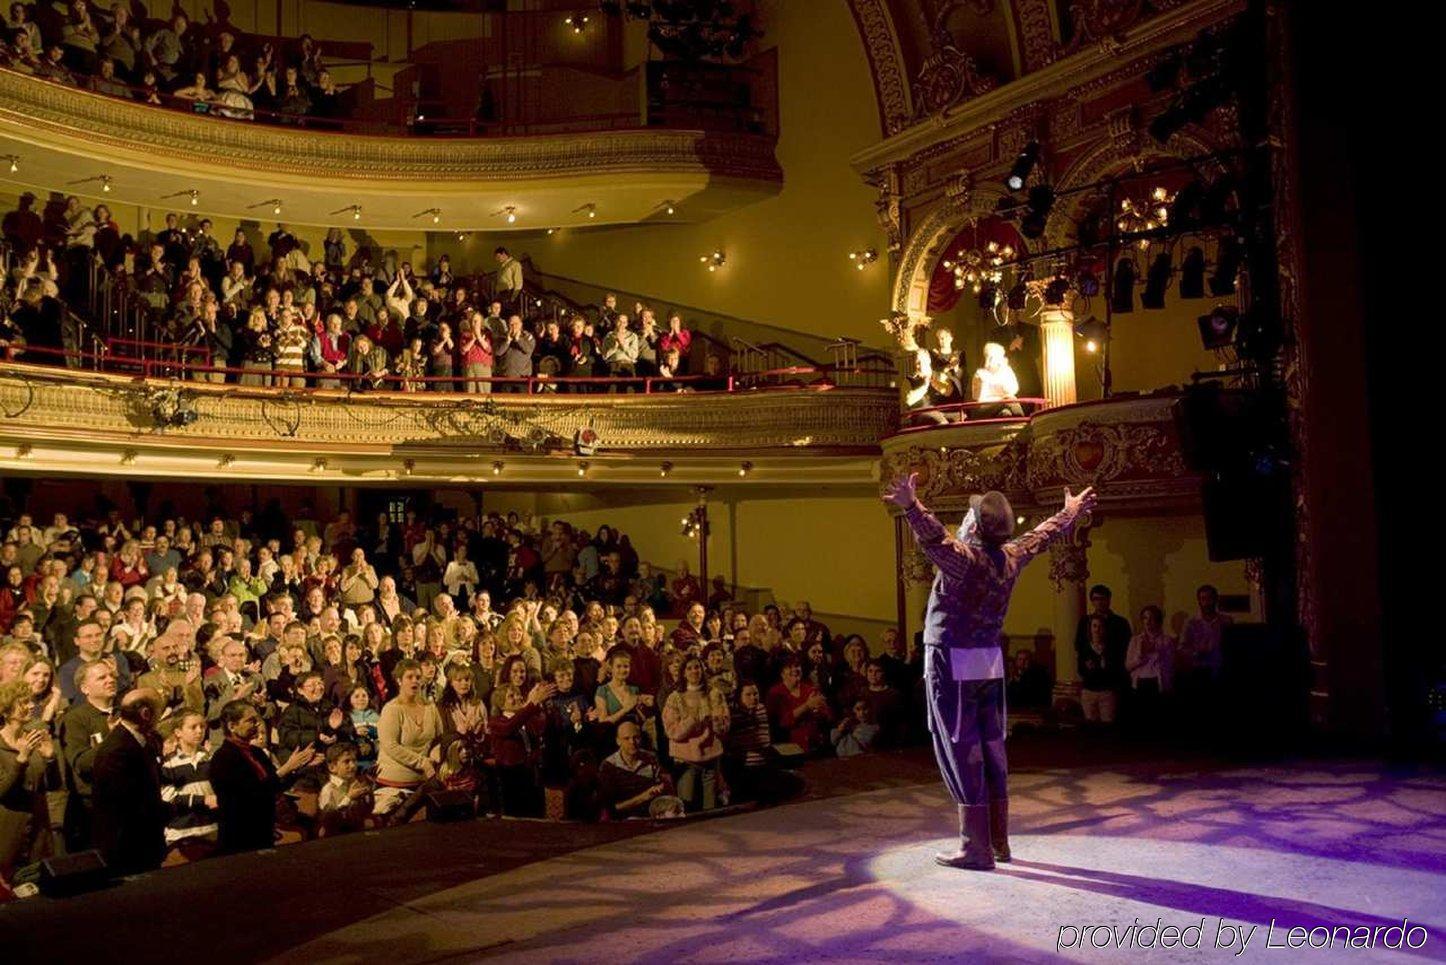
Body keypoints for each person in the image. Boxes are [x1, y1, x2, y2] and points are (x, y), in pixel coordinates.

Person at [884, 470, 1095, 870]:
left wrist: (912, 505)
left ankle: (975, 846)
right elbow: (1043, 535)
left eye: (969, 516)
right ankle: (998, 841)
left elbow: (934, 539)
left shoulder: (965, 561)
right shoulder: (1009, 557)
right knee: (992, 748)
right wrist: (1069, 513)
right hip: (989, 663)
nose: (963, 520)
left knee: (959, 747)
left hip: (952, 660)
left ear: (975, 528)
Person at [209, 700, 317, 853]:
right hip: (240, 834)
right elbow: (249, 793)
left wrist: (297, 767)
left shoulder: (257, 752)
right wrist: (285, 769)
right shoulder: (223, 758)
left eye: (257, 720)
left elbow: (275, 787)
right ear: (232, 726)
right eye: (250, 721)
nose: (257, 725)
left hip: (264, 829)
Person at [91, 688, 167, 875]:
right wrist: (170, 810)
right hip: (128, 849)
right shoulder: (117, 751)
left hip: (143, 844)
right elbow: (127, 805)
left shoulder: (142, 742)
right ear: (146, 714)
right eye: (159, 712)